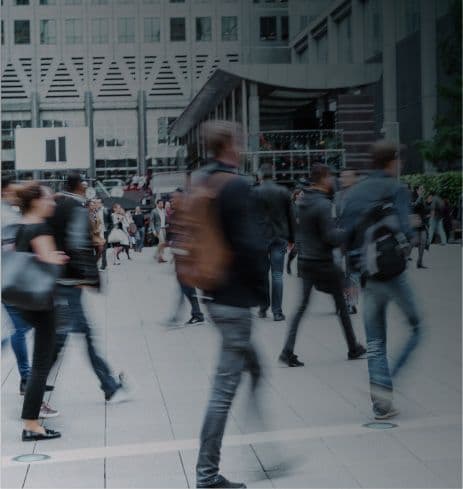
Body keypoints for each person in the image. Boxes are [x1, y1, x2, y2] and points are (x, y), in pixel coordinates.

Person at [194, 121, 267, 489]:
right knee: (223, 391)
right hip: (234, 301)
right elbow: (251, 247)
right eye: (239, 140)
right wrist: (263, 292)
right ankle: (207, 475)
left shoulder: (201, 181)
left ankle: (266, 452)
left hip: (211, 293)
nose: (242, 147)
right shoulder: (235, 185)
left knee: (256, 369)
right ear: (229, 145)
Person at [341, 141, 422, 420]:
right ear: (392, 161)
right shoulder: (396, 189)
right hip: (395, 275)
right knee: (417, 327)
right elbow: (406, 234)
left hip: (369, 276)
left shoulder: (353, 193)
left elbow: (346, 238)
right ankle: (388, 385)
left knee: (375, 342)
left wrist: (352, 275)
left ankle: (381, 404)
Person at [49, 173, 129, 403]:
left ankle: (108, 384)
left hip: (58, 281)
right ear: (80, 186)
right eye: (85, 184)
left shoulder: (54, 205)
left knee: (64, 339)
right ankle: (34, 382)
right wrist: (90, 277)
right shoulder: (75, 208)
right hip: (69, 284)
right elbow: (79, 245)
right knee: (69, 338)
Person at [279, 165, 366, 368]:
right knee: (342, 306)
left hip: (305, 261)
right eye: (331, 177)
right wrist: (347, 232)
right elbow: (330, 237)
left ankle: (287, 350)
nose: (333, 181)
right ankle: (353, 348)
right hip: (323, 263)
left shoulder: (302, 201)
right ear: (323, 179)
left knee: (301, 307)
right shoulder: (323, 204)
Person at [14, 183, 69, 440]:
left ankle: (31, 420)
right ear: (36, 201)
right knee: (41, 365)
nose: (53, 203)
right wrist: (59, 258)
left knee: (42, 361)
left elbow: (28, 258)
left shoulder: (23, 226)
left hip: (26, 302)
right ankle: (32, 424)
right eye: (49, 198)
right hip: (43, 303)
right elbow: (49, 263)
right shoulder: (41, 228)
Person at [1, 177, 56, 402]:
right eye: (14, 191)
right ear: (4, 192)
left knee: (18, 330)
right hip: (11, 278)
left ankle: (30, 379)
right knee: (18, 332)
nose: (18, 195)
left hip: (14, 278)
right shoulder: (7, 215)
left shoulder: (12, 213)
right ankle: (28, 379)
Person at [253, 163, 295, 321]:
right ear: (274, 175)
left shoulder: (255, 192)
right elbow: (291, 216)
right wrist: (292, 239)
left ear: (260, 176)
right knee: (278, 275)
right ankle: (277, 312)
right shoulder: (283, 192)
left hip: (261, 239)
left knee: (262, 275)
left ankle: (263, 308)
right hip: (281, 239)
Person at [167, 190, 205, 326]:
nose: (171, 201)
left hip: (188, 258)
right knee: (187, 287)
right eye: (170, 199)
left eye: (174, 199)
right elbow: (174, 235)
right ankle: (197, 314)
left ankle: (176, 317)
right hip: (180, 257)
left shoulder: (188, 215)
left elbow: (195, 234)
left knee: (184, 287)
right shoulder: (174, 215)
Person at [286, 188, 303, 275]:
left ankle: (300, 271)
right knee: (295, 251)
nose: (303, 196)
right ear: (296, 195)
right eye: (301, 194)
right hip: (295, 230)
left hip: (303, 231)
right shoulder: (292, 205)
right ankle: (289, 263)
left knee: (302, 251)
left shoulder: (304, 205)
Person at [411, 185, 429, 268]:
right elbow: (414, 206)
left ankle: (420, 262)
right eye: (421, 189)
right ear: (417, 190)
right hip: (415, 223)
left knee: (423, 242)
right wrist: (420, 197)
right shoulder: (414, 197)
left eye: (423, 189)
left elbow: (424, 210)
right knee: (413, 242)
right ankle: (404, 259)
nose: (423, 190)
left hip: (422, 223)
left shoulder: (422, 199)